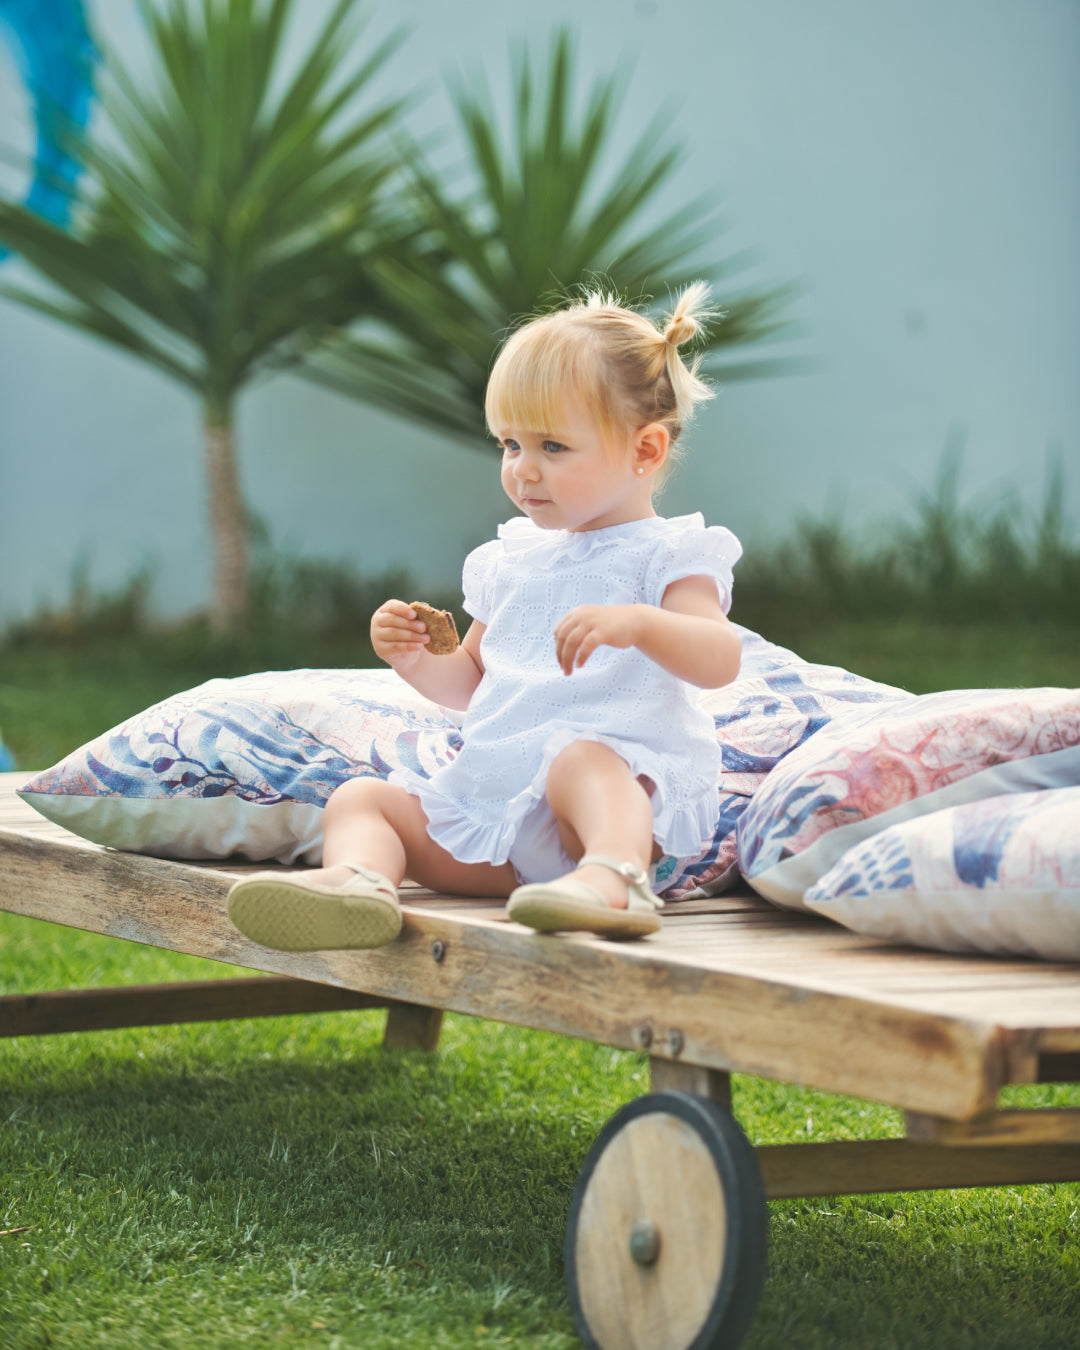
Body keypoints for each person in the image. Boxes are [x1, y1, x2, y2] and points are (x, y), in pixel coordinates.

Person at [227, 283, 743, 949]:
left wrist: (639, 624)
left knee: (580, 758)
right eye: (509, 445)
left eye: (552, 447)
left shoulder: (668, 554)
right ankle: (359, 885)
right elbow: (474, 684)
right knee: (362, 800)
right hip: (500, 820)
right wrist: (416, 658)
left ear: (644, 451)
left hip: (608, 816)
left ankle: (615, 882)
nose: (523, 470)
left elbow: (719, 657)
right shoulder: (514, 559)